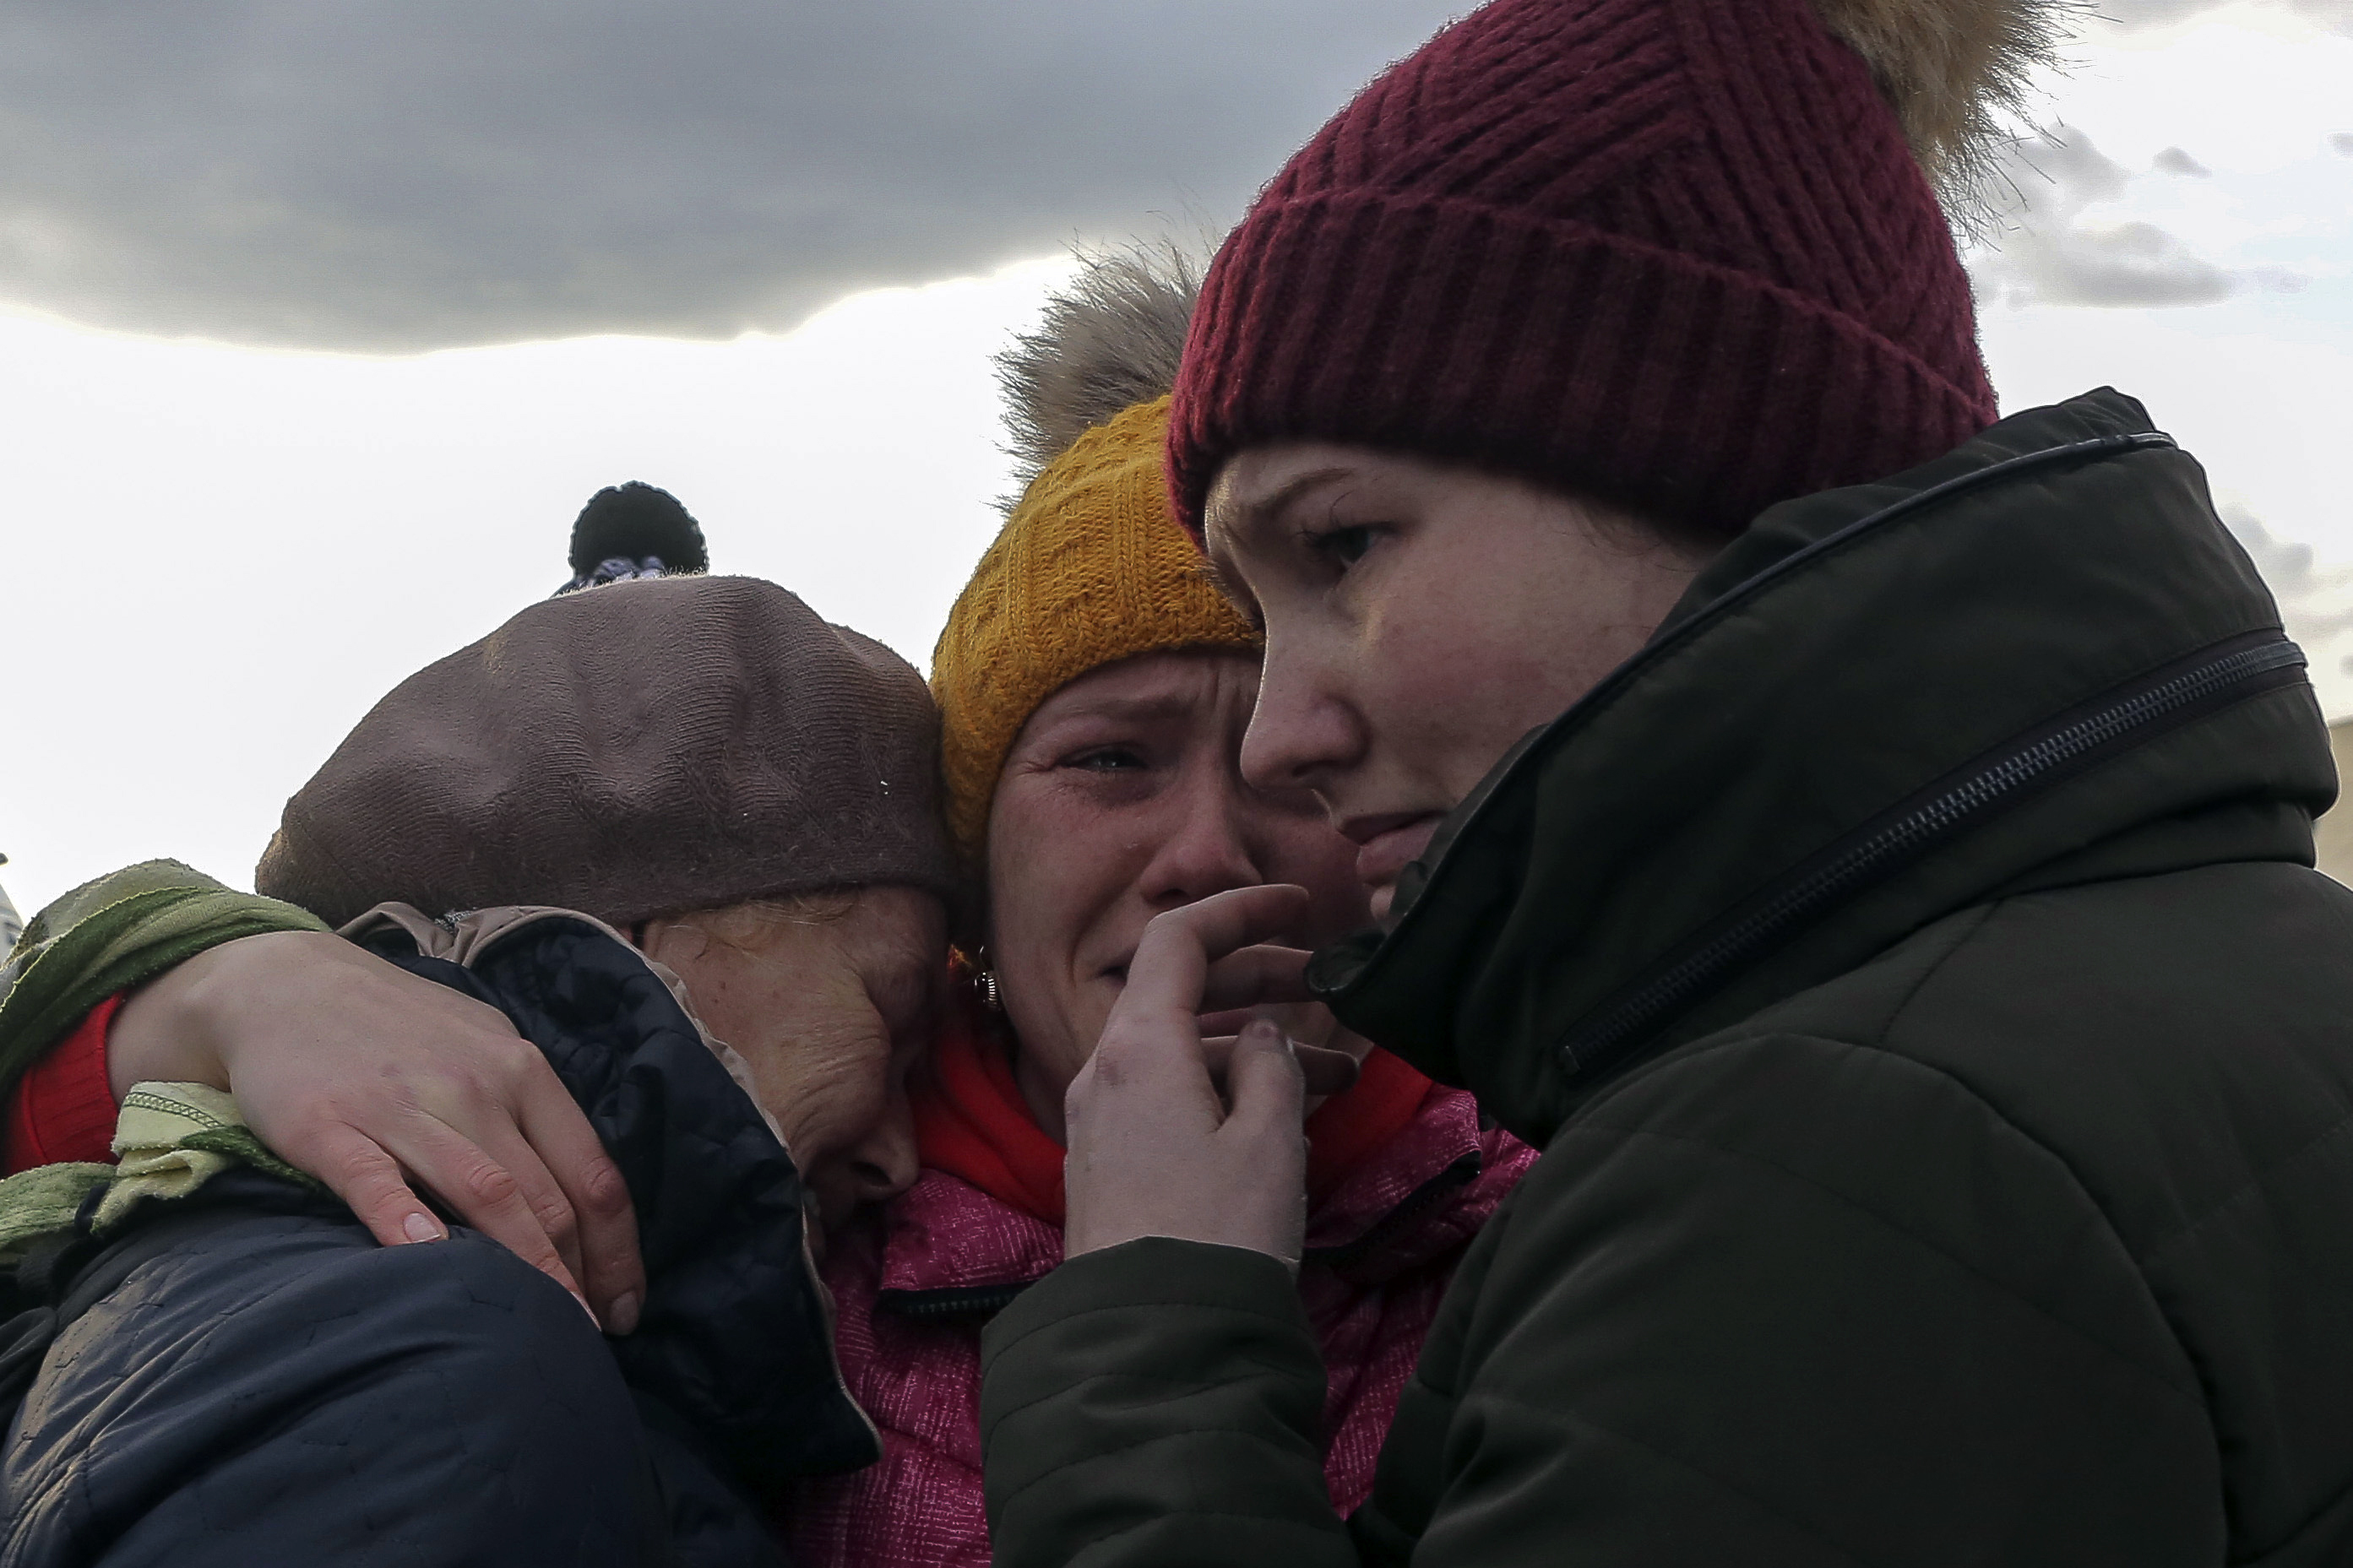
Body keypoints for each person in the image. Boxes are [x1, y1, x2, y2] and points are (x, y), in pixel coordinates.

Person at [972, 0, 2353, 1564]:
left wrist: (1152, 1326)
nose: (1279, 735)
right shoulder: (2237, 955)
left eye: (1344, 545)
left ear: (1698, 444)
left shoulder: (1824, 1163)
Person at [784, 248, 1535, 1568]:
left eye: (1285, 765)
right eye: (1110, 760)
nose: (1202, 854)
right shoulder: (779, 1258)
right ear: (974, 865)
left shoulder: (1562, 1239)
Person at [0, 569, 960, 1565]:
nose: (900, 1152)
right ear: (638, 949)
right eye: (889, 1021)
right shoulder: (440, 1359)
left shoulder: (481, 1328)